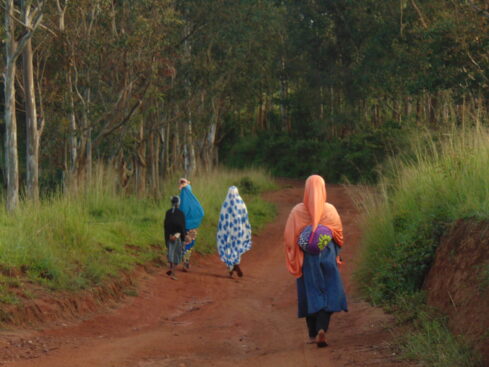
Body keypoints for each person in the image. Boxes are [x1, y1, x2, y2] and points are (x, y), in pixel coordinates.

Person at [284, 175, 347, 348]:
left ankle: (313, 333)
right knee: (330, 290)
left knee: (309, 292)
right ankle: (322, 329)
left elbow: (289, 239)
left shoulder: (297, 211)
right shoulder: (330, 210)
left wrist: (302, 244)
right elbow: (339, 237)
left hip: (306, 260)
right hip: (328, 255)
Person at [217, 186, 252, 278]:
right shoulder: (241, 203)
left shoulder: (225, 204)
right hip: (238, 232)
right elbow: (245, 217)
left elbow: (222, 220)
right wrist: (245, 229)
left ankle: (231, 268)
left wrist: (221, 231)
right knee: (237, 247)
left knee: (228, 248)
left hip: (227, 232)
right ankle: (236, 263)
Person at [179, 178, 205, 270]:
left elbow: (180, 214)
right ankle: (186, 260)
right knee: (189, 243)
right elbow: (201, 213)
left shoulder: (181, 201)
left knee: (183, 243)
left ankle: (184, 260)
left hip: (183, 227)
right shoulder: (194, 202)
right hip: (193, 227)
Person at [164, 196, 186, 280]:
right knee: (177, 254)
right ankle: (173, 272)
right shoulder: (181, 214)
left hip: (170, 236)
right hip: (178, 237)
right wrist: (182, 238)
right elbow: (182, 226)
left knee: (170, 252)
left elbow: (166, 225)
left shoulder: (168, 212)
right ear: (178, 204)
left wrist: (168, 236)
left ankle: (170, 268)